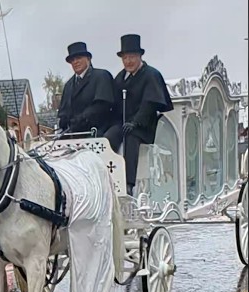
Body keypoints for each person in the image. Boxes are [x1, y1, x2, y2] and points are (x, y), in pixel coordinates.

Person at [103, 34, 173, 196]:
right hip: (124, 123)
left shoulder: (151, 75)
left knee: (131, 137)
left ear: (140, 56)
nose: (128, 61)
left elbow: (149, 104)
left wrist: (135, 122)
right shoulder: (120, 78)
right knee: (107, 138)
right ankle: (107, 178)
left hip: (144, 126)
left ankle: (128, 183)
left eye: (132, 57)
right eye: (125, 58)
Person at [56, 42, 116, 137]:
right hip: (73, 133)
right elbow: (63, 111)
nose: (75, 62)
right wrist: (64, 121)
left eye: (79, 58)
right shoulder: (68, 85)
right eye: (72, 60)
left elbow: (102, 105)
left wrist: (82, 118)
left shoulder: (101, 76)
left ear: (88, 59)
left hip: (97, 130)